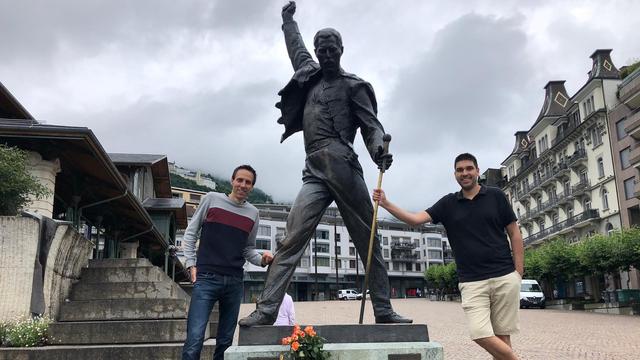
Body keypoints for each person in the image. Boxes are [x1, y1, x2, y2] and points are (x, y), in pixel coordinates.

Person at [239, 1, 411, 326]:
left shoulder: (354, 86)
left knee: (367, 238)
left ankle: (385, 310)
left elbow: (372, 126)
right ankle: (265, 310)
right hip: (313, 170)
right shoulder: (308, 74)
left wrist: (378, 150)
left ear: (342, 50)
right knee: (291, 238)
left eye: (332, 50)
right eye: (322, 50)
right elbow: (295, 46)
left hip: (343, 165)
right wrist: (287, 20)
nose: (327, 55)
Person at [373, 153, 524, 360]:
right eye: (460, 170)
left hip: (504, 276)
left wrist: (518, 272)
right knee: (480, 333)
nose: (465, 173)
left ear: (477, 171)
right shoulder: (448, 203)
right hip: (472, 281)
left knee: (502, 337)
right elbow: (416, 219)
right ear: (455, 175)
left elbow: (514, 233)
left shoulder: (496, 196)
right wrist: (386, 203)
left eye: (469, 168)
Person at [181, 165, 274, 360]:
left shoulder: (253, 213)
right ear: (232, 180)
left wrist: (263, 260)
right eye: (239, 180)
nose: (243, 185)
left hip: (234, 281)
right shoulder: (211, 199)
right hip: (206, 278)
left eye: (248, 182)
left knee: (225, 341)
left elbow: (248, 249)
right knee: (195, 339)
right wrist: (190, 264)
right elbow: (190, 233)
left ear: (252, 186)